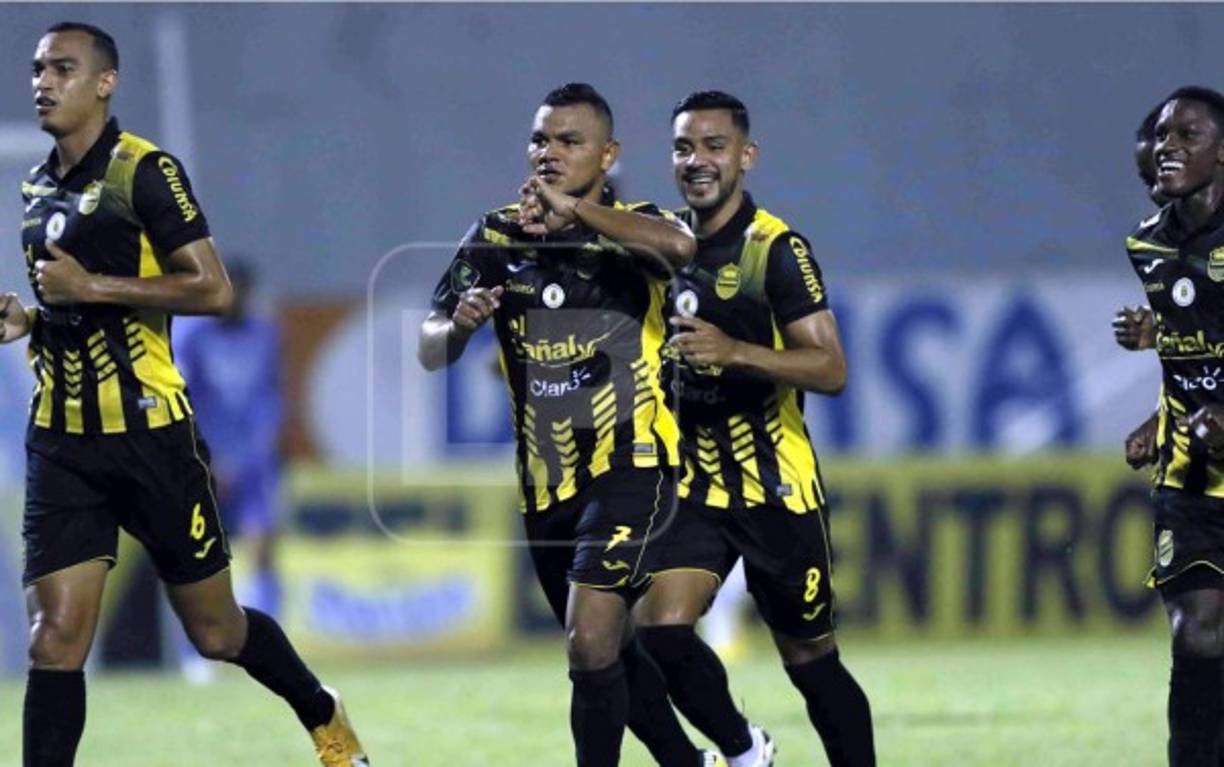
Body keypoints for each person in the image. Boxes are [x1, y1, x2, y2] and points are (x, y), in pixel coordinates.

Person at [0, 23, 365, 766]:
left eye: (63, 69)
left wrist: (89, 284)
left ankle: (322, 711)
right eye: (38, 69)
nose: (43, 81)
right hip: (62, 440)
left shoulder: (146, 172)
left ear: (105, 83)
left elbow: (212, 288)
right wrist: (31, 319)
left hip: (151, 437)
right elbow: (75, 314)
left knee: (216, 632)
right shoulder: (36, 186)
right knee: (56, 638)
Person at [418, 83, 719, 767]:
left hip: (631, 464)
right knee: (605, 651)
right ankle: (691, 760)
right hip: (545, 486)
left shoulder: (636, 227)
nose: (548, 153)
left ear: (607, 155)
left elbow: (682, 247)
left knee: (587, 640)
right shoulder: (495, 236)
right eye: (539, 140)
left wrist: (577, 213)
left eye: (568, 141)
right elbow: (428, 347)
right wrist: (458, 326)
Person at [633, 91, 876, 767]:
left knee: (811, 662)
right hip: (696, 486)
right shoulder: (665, 246)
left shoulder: (776, 247)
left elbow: (830, 368)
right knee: (660, 631)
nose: (697, 161)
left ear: (746, 156)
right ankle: (745, 750)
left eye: (714, 146)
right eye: (684, 147)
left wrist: (735, 350)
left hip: (778, 489)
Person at [1123, 85, 1224, 766]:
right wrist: (1160, 416)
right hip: (1192, 473)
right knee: (1196, 629)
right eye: (1163, 135)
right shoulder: (1148, 245)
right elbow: (1199, 346)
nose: (1169, 148)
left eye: (1189, 135)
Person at [175, 260, 284, 619]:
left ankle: (268, 630)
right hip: (203, 459)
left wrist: (264, 442)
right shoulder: (190, 335)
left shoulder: (265, 333)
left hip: (253, 458)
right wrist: (206, 455)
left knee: (263, 543)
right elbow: (181, 401)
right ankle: (196, 651)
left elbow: (271, 392)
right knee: (198, 552)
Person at [1114, 103, 1170, 469]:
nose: (1159, 190)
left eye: (1166, 172)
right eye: (1148, 180)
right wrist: (1160, 422)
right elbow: (1199, 367)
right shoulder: (1158, 248)